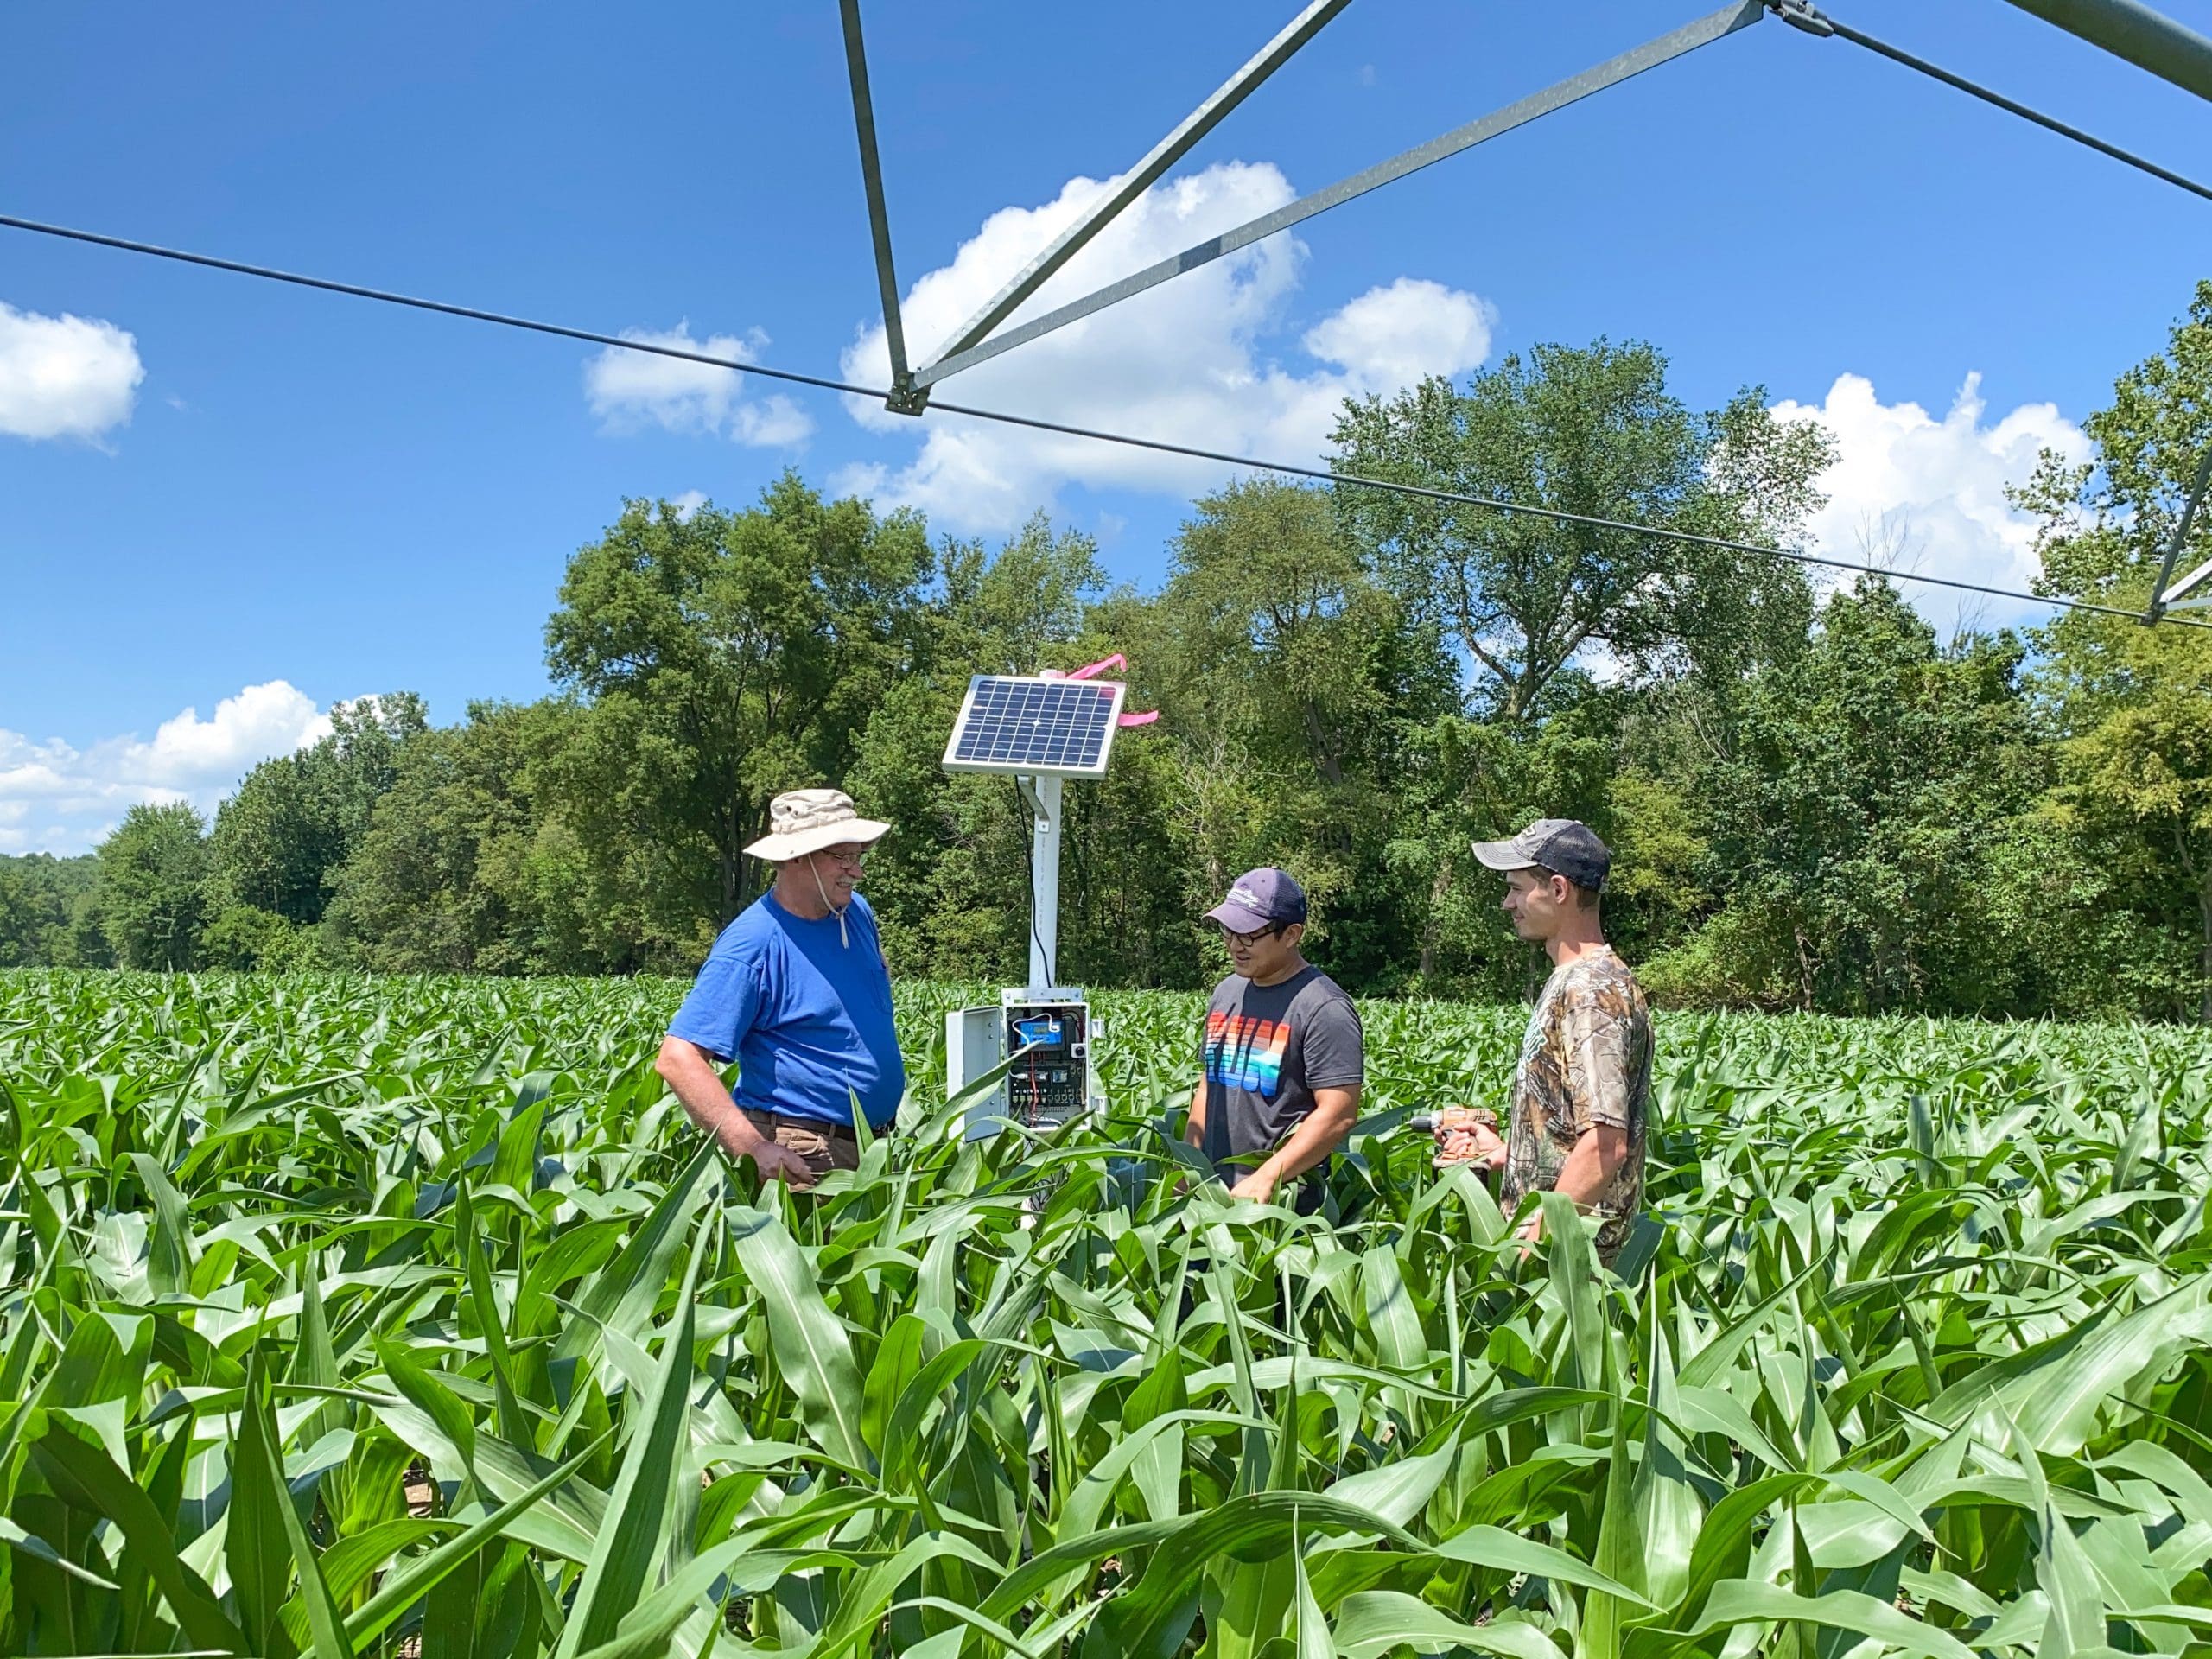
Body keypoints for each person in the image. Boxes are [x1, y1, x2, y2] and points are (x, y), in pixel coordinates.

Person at [654, 788, 906, 1191]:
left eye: (857, 856)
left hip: (876, 1146)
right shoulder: (753, 945)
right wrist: (752, 1148)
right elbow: (678, 1058)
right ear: (793, 857)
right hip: (806, 1154)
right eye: (840, 857)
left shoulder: (856, 913)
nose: (855, 871)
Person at [1441, 818, 1650, 1264]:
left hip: (1567, 1264)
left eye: (1517, 889)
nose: (1507, 903)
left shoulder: (1590, 992)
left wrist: (1536, 1245)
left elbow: (1605, 1144)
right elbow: (1577, 1128)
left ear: (1558, 889)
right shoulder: (1575, 980)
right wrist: (1507, 1154)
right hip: (1558, 1247)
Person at [1184, 867, 1363, 1208]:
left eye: (1249, 934)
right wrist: (1188, 1165)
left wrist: (1267, 1177)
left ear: (1292, 934)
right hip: (1211, 1197)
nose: (1235, 945)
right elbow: (1208, 1085)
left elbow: (1339, 1112)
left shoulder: (1324, 1007)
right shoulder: (1226, 993)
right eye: (1229, 931)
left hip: (1281, 1205)